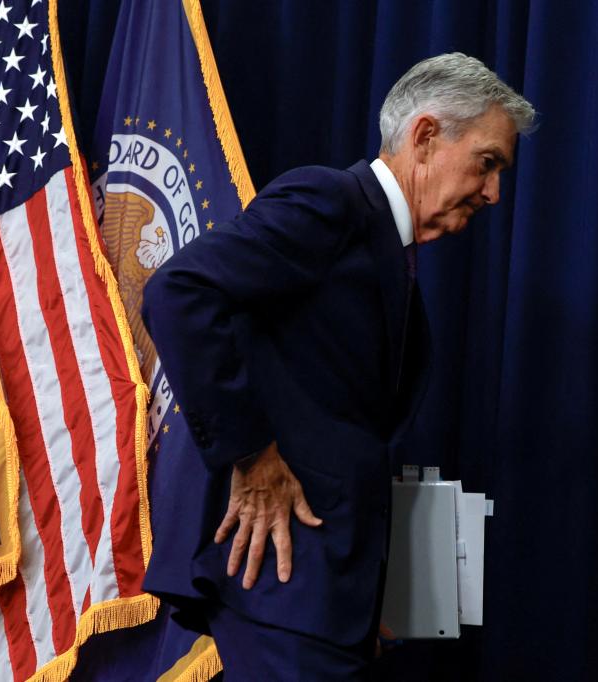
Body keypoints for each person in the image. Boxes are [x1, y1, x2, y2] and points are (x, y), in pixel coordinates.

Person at [141, 53, 536, 680]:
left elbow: (346, 428)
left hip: (330, 595)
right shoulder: (330, 200)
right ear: (427, 137)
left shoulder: (385, 249)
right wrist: (251, 455)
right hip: (284, 578)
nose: (493, 192)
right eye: (487, 164)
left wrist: (370, 592)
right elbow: (178, 292)